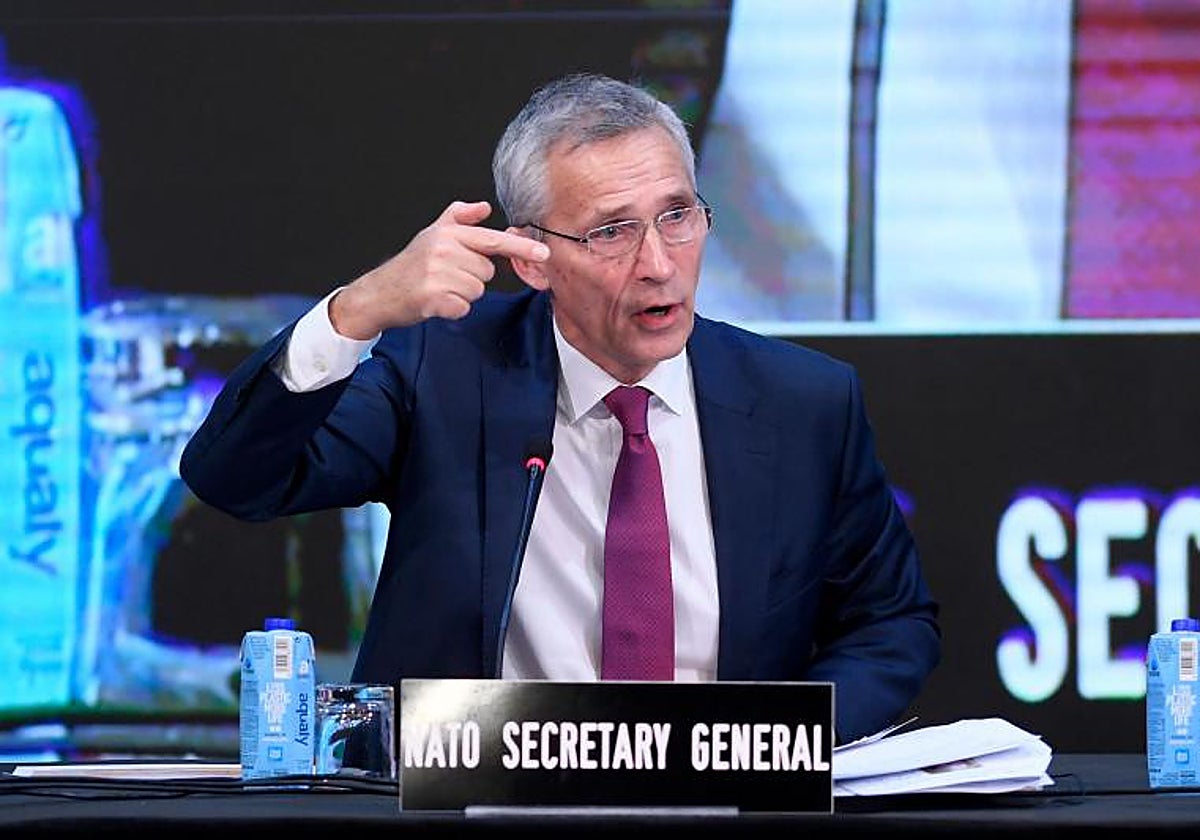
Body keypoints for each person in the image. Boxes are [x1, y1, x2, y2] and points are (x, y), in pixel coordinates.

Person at [180, 72, 940, 743]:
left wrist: (775, 743)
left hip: (727, 810)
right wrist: (358, 311)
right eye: (612, 232)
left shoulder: (803, 402)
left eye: (678, 216)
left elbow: (889, 624)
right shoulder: (442, 371)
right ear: (531, 256)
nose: (659, 263)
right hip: (475, 811)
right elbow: (236, 478)